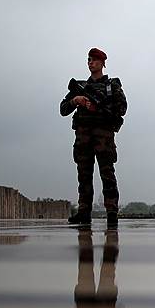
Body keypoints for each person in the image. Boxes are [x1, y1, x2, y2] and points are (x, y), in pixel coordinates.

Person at [60, 47, 127, 228]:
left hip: (104, 138)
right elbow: (63, 109)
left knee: (107, 175)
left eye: (94, 60)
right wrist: (76, 101)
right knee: (84, 176)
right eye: (89, 60)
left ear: (102, 63)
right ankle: (84, 212)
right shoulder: (81, 87)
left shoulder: (112, 86)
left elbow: (122, 109)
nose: (91, 63)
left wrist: (100, 107)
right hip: (83, 139)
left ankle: (112, 211)